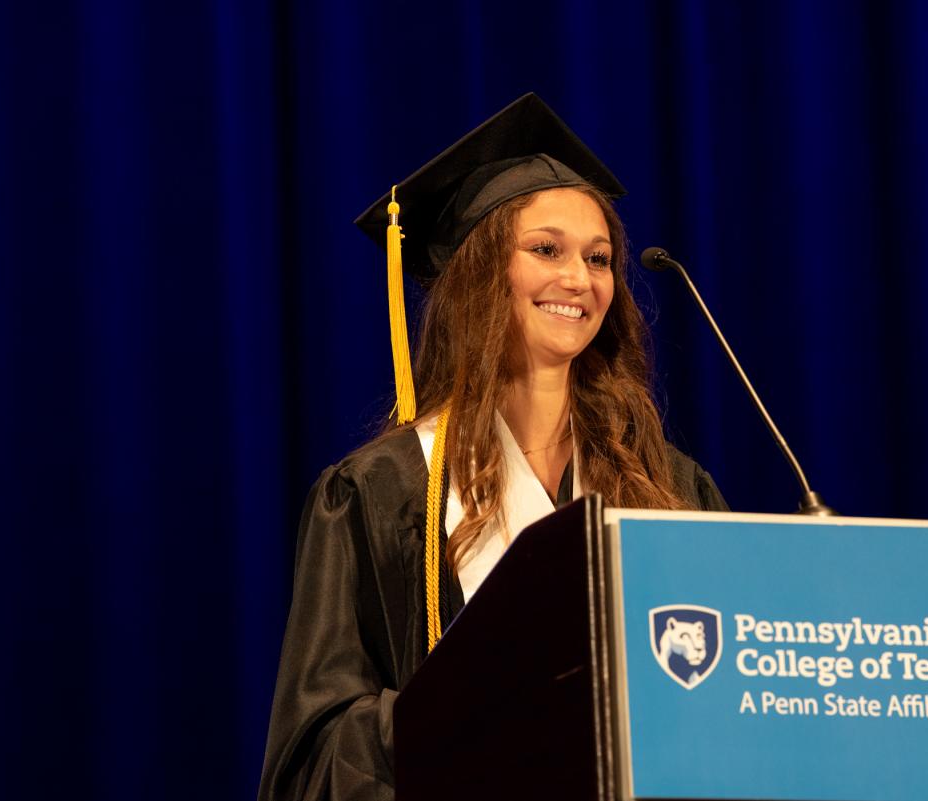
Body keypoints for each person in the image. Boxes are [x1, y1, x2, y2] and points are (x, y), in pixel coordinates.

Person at [257, 94, 728, 801]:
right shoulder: (382, 493)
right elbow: (316, 754)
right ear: (479, 272)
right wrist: (482, 704)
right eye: (546, 249)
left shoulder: (667, 487)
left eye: (599, 258)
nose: (579, 279)